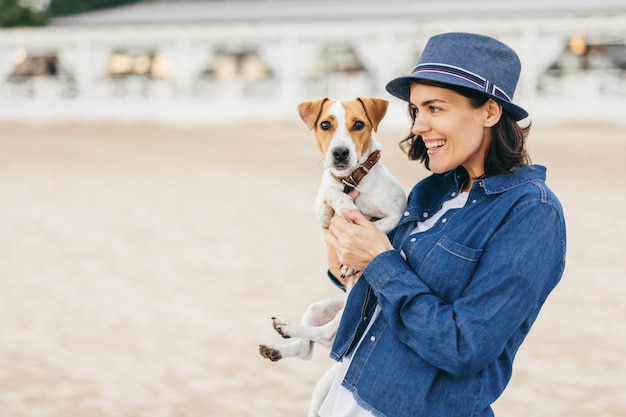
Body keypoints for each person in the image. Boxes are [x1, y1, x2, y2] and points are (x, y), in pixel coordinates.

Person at [319, 32, 566, 417]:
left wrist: (380, 260)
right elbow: (366, 288)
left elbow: (464, 346)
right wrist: (342, 240)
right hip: (347, 397)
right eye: (416, 110)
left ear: (489, 111)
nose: (418, 126)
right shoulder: (433, 192)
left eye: (435, 108)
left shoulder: (531, 213)